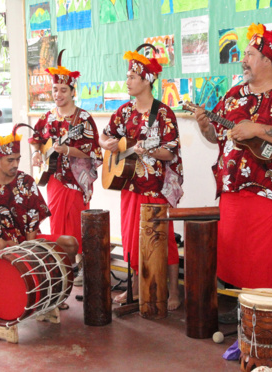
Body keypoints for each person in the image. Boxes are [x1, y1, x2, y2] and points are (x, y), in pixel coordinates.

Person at [193, 23, 272, 322]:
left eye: (249, 54)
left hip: (269, 192)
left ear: (267, 59)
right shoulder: (233, 96)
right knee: (236, 256)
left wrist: (257, 128)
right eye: (244, 54)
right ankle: (248, 314)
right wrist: (205, 126)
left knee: (267, 258)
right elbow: (215, 138)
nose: (243, 60)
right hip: (233, 189)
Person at [99, 44, 184, 310]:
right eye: (127, 77)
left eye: (132, 77)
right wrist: (108, 145)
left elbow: (171, 153)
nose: (127, 81)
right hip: (129, 185)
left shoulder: (163, 114)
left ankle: (173, 293)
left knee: (164, 239)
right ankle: (133, 289)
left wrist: (149, 149)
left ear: (148, 80)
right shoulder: (124, 111)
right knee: (131, 237)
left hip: (155, 188)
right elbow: (103, 136)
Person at [29, 50, 102, 286]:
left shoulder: (83, 119)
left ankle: (79, 263)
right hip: (54, 180)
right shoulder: (48, 117)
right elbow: (37, 140)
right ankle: (60, 263)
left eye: (63, 90)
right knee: (57, 220)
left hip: (77, 179)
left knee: (77, 221)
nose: (58, 95)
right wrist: (36, 155)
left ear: (73, 91)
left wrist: (68, 151)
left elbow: (93, 150)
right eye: (55, 90)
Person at [0, 126, 78, 265]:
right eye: (10, 160)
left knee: (70, 243)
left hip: (26, 240)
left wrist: (28, 246)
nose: (15, 164)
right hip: (0, 243)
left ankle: (68, 279)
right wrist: (13, 245)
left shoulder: (25, 181)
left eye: (18, 159)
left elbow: (34, 218)